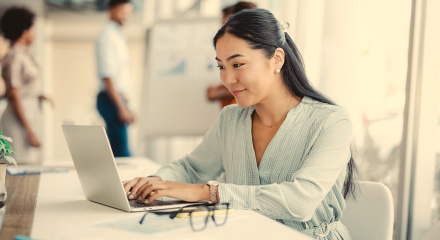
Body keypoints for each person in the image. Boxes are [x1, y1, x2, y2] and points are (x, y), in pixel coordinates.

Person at [123, 9, 356, 239]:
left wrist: (209, 192)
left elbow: (300, 201)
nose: (227, 79)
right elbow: (192, 169)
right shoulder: (231, 119)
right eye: (221, 67)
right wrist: (155, 182)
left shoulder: (331, 121)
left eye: (237, 65)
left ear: (276, 59)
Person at [0, 7, 51, 163]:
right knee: (20, 166)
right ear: (24, 31)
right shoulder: (15, 55)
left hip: (28, 110)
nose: (34, 32)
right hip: (18, 116)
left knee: (29, 163)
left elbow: (24, 85)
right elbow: (14, 94)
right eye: (32, 28)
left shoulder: (22, 53)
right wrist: (29, 131)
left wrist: (39, 94)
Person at [96, 0, 134, 157]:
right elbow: (108, 76)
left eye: (128, 13)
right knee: (121, 153)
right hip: (111, 99)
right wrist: (122, 107)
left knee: (117, 150)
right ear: (111, 10)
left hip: (118, 98)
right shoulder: (107, 36)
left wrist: (128, 104)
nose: (125, 16)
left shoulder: (118, 35)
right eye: (122, 11)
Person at [207, 1, 257, 108]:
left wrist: (219, 92)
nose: (223, 31)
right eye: (221, 66)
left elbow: (252, 84)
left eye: (225, 24)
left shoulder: (252, 49)